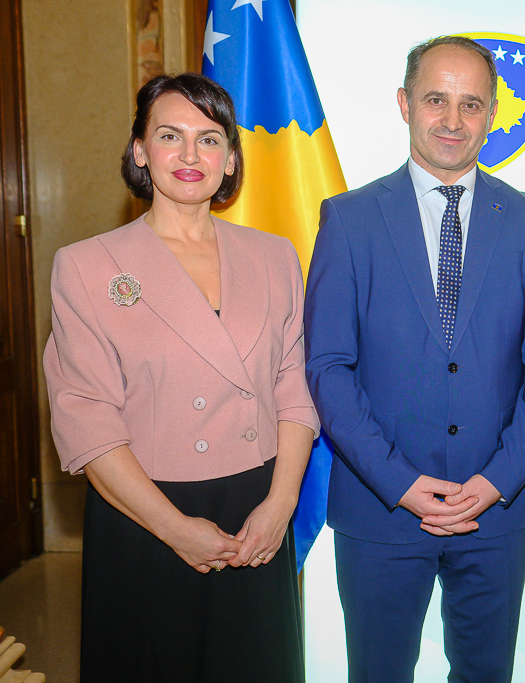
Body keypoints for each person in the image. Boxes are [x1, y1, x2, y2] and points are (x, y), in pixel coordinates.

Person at [304, 35, 525, 683]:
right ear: (404, 103)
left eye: (471, 104)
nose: (453, 120)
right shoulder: (348, 220)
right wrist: (400, 483)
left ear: (492, 114)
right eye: (435, 100)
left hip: (495, 511)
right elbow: (328, 368)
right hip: (380, 508)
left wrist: (496, 480)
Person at [42, 73, 318, 681]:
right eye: (170, 136)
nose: (191, 154)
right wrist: (175, 530)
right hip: (145, 515)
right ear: (140, 151)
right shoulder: (87, 266)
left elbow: (294, 390)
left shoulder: (275, 256)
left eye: (210, 139)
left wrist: (282, 503)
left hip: (257, 513)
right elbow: (88, 422)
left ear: (230, 160)